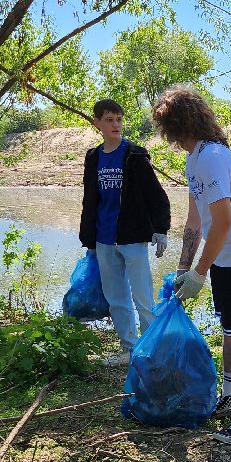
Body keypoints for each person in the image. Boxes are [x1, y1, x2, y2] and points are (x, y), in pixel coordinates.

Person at [151, 85, 231, 444]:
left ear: (178, 126)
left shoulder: (213, 158)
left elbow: (223, 222)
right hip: (223, 259)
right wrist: (184, 268)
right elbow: (195, 221)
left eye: (167, 129)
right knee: (230, 330)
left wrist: (200, 273)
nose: (169, 138)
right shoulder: (195, 159)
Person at [79, 99, 171, 363]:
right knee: (116, 299)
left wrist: (161, 229)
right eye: (109, 120)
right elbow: (89, 200)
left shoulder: (134, 155)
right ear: (97, 123)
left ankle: (151, 352)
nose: (115, 125)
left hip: (133, 238)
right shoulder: (93, 157)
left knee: (143, 298)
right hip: (104, 238)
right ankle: (129, 349)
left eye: (119, 119)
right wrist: (89, 239)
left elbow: (156, 195)